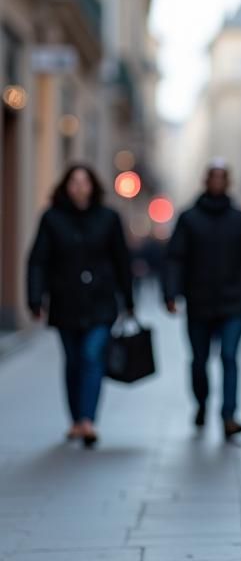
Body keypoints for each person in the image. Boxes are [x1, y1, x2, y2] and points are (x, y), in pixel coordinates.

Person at [27, 165, 134, 448]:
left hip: (100, 302)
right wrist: (35, 297)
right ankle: (75, 420)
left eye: (84, 181)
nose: (79, 187)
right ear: (66, 186)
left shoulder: (109, 218)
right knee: (73, 360)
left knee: (91, 355)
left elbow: (122, 260)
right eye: (74, 181)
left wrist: (129, 300)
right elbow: (38, 260)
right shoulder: (52, 219)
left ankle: (87, 419)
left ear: (93, 186)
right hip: (65, 301)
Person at [162, 160, 241, 439]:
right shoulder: (188, 219)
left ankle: (229, 415)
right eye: (214, 177)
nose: (218, 182)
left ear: (228, 182)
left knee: (230, 356)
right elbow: (175, 259)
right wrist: (171, 293)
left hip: (234, 302)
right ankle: (201, 403)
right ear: (205, 181)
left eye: (223, 177)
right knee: (199, 360)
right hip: (199, 303)